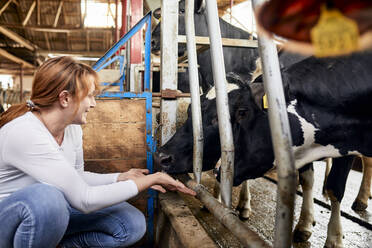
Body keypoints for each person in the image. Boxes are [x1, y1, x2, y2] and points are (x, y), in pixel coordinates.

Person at [0, 56, 196, 248]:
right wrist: (150, 180)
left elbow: (76, 177)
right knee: (48, 199)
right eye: (90, 96)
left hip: (49, 217)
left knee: (131, 223)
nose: (93, 104)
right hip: (10, 222)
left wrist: (120, 177)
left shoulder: (72, 128)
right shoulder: (25, 132)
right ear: (65, 98)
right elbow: (84, 199)